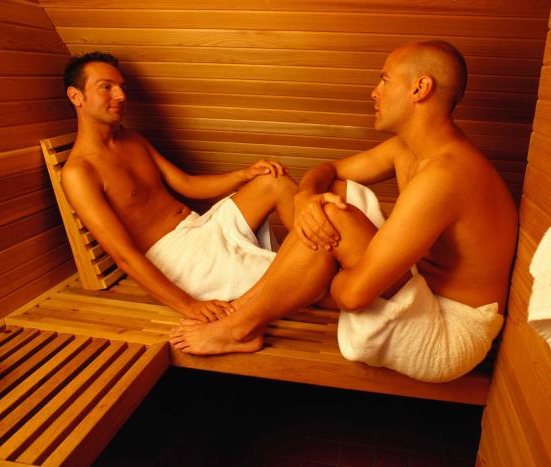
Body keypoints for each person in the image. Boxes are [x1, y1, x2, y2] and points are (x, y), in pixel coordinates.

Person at [170, 40, 519, 382]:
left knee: (331, 217)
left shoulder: (446, 175)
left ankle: (241, 325)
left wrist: (324, 269)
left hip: (445, 335)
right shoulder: (406, 149)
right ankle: (240, 312)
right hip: (423, 293)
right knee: (329, 196)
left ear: (420, 88)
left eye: (384, 79)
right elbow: (329, 170)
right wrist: (306, 196)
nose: (374, 92)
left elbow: (353, 297)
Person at [61, 52, 297, 323]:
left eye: (121, 87)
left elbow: (187, 184)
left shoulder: (132, 139)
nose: (121, 95)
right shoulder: (79, 173)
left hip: (202, 227)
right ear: (76, 96)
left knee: (274, 181)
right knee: (298, 272)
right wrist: (190, 306)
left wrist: (245, 174)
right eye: (106, 87)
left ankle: (319, 248)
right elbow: (123, 256)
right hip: (180, 259)